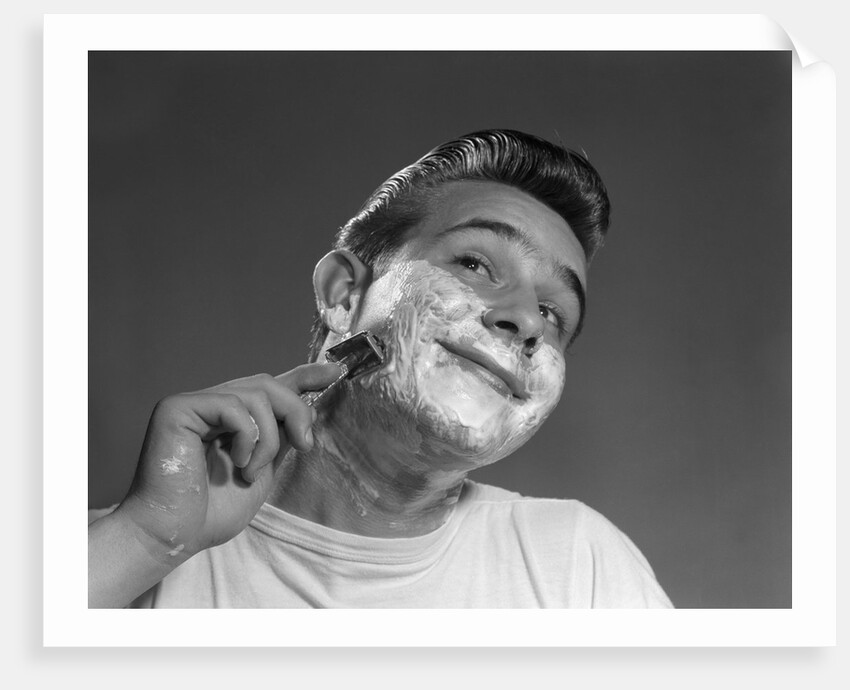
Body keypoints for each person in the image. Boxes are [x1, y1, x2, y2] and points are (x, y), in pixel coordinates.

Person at [88, 129, 673, 608]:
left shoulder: (579, 566)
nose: (526, 320)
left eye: (554, 313)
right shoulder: (116, 555)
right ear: (344, 295)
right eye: (474, 263)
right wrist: (146, 541)